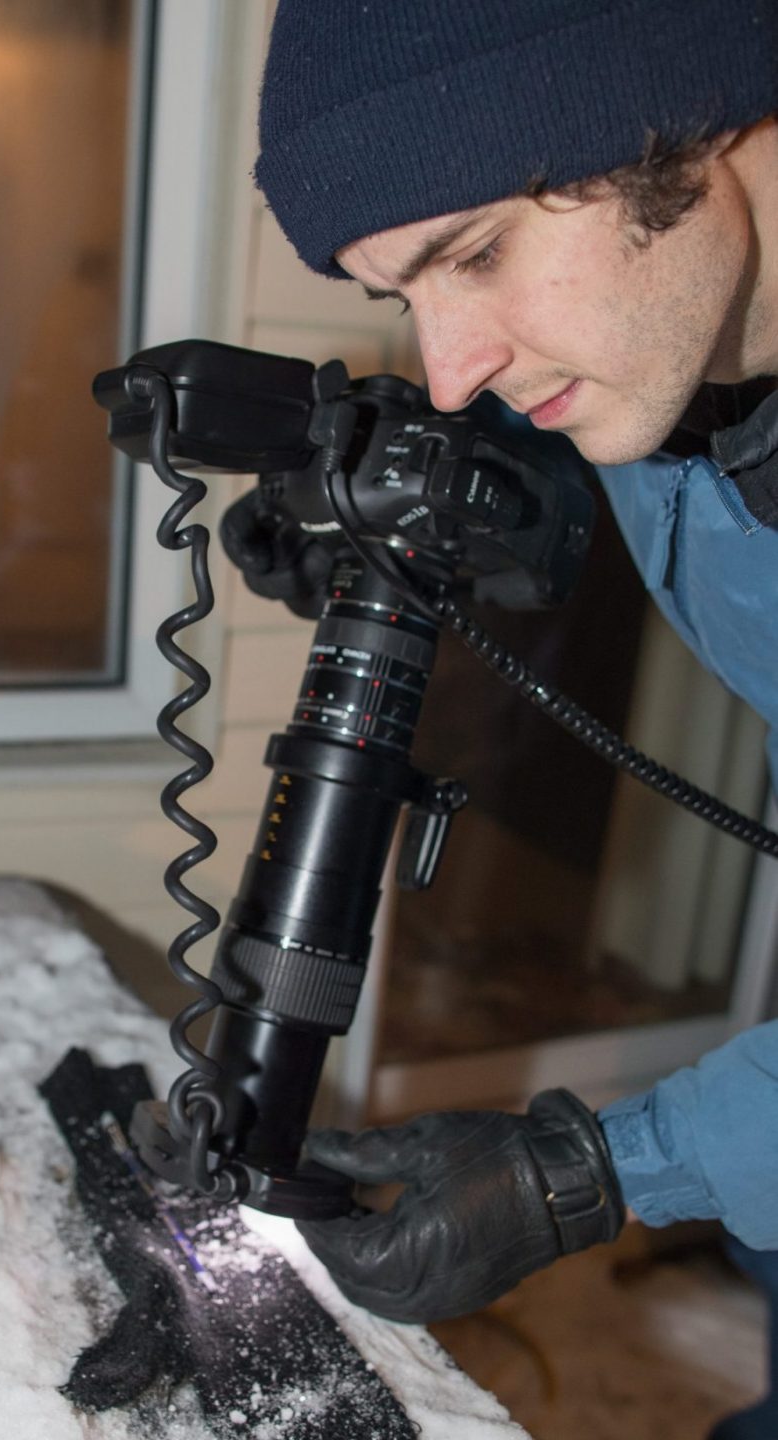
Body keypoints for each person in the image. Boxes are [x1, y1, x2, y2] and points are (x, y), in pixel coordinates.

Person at [251, 2, 778, 1435]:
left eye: (473, 251)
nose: (448, 362)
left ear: (700, 111)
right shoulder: (691, 338)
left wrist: (597, 1171)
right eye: (402, 295)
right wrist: (414, 472)